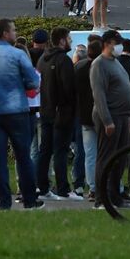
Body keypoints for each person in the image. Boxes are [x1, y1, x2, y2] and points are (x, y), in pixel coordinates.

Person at [0, 18, 44, 210]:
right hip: (16, 110)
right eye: (13, 30)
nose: (15, 33)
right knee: (23, 157)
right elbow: (33, 82)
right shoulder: (17, 55)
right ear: (5, 33)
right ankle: (29, 199)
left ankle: (4, 200)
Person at [90, 28, 130, 209]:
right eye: (117, 43)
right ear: (107, 44)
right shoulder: (99, 64)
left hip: (123, 116)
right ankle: (101, 198)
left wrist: (129, 115)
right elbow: (99, 94)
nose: (120, 46)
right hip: (110, 116)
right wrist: (107, 120)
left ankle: (115, 196)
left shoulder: (115, 63)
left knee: (120, 158)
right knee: (106, 157)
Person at [36, 27, 78, 200]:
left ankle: (42, 186)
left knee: (44, 150)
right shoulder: (64, 60)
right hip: (62, 112)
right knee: (60, 150)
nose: (70, 41)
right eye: (69, 38)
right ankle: (63, 189)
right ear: (62, 40)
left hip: (45, 110)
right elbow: (69, 88)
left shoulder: (42, 59)